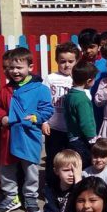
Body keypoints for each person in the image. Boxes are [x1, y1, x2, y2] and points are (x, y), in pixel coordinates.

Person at [0, 47, 54, 212]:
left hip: (29, 135)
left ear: (30, 67)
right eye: (11, 67)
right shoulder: (5, 89)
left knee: (30, 170)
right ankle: (11, 196)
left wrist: (36, 117)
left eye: (19, 67)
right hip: (9, 135)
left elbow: (48, 109)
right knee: (6, 169)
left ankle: (30, 197)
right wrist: (2, 118)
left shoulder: (40, 89)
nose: (15, 71)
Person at [42, 41, 79, 191]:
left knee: (73, 160)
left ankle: (72, 189)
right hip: (54, 128)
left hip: (73, 130)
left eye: (71, 61)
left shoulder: (78, 79)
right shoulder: (50, 78)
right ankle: (51, 188)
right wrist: (44, 122)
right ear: (57, 61)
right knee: (53, 159)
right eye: (63, 61)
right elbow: (43, 102)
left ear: (76, 61)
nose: (67, 65)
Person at [64, 62, 98, 166]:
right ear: (89, 81)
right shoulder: (82, 99)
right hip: (81, 140)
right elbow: (86, 122)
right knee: (85, 166)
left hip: (72, 137)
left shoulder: (69, 95)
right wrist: (92, 137)